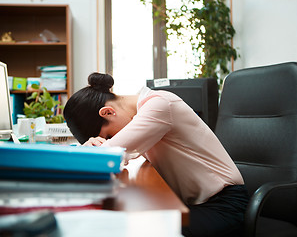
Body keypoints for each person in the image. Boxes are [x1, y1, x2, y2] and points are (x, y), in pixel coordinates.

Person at [63, 72, 249, 237]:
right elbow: (119, 156)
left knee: (139, 229)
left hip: (225, 206)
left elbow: (110, 154)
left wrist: (95, 149)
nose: (111, 139)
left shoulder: (159, 105)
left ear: (108, 112)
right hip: (197, 204)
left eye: (109, 136)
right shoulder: (144, 113)